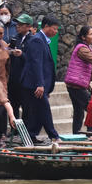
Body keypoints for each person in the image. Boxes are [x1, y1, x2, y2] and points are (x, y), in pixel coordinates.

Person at [20, 15, 61, 144]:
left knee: (36, 110)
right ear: (46, 26)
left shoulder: (43, 40)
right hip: (33, 83)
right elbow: (36, 63)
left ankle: (31, 135)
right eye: (54, 29)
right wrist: (40, 84)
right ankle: (53, 135)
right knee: (44, 109)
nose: (56, 32)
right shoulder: (37, 40)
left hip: (40, 83)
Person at [63, 25, 92, 134]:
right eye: (91, 34)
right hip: (76, 85)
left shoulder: (85, 47)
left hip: (75, 85)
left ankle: (76, 135)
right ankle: (91, 133)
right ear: (83, 37)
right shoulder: (82, 49)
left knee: (79, 112)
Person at [6, 12, 33, 118]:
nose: (18, 26)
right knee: (13, 105)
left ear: (28, 26)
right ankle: (14, 128)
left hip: (25, 78)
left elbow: (33, 59)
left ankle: (26, 130)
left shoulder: (32, 40)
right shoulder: (15, 38)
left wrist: (22, 55)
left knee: (26, 106)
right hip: (13, 77)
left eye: (21, 25)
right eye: (17, 24)